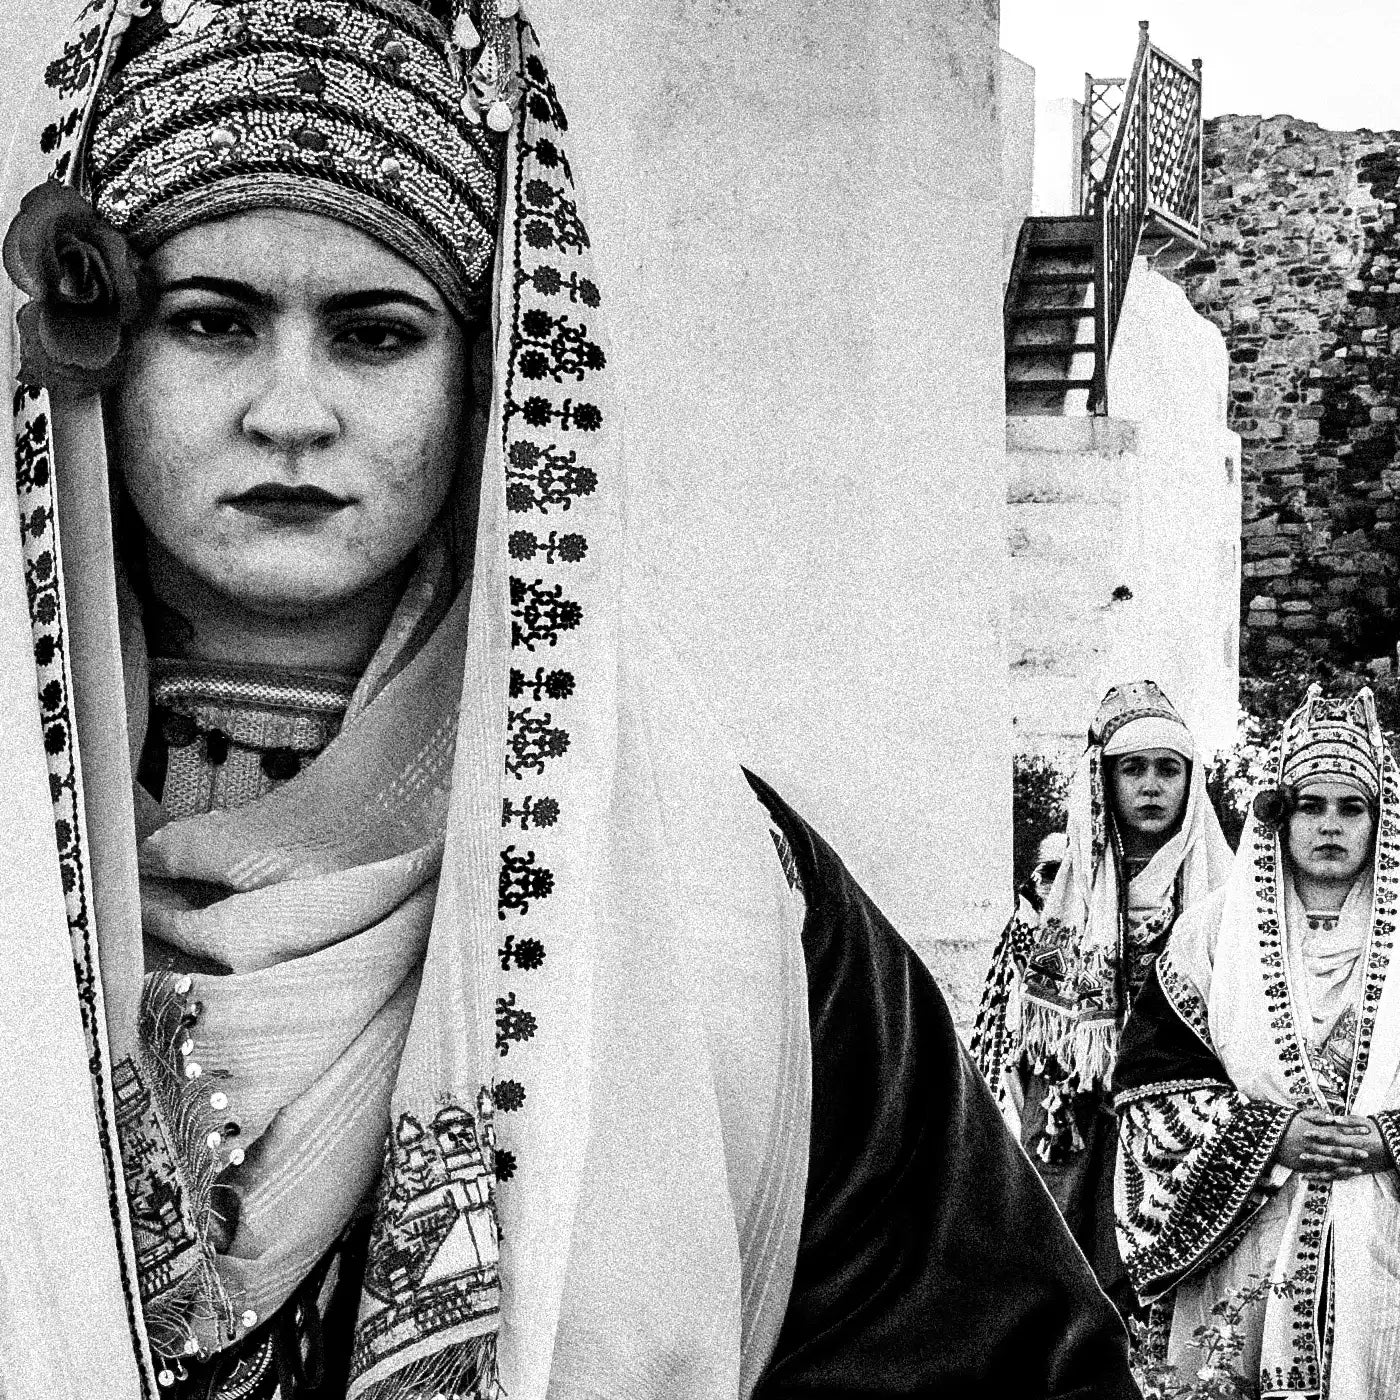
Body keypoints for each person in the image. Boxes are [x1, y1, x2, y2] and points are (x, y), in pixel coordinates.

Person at [0, 2, 1142, 1398]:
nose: (290, 409)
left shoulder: (728, 903)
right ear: (102, 358)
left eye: (372, 334)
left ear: (485, 377)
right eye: (213, 323)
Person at [1114, 685, 1400, 1397]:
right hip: (1249, 1237)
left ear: (1381, 818)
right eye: (1310, 805)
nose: (1329, 825)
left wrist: (1387, 1139)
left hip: (1385, 1235)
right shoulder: (1209, 934)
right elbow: (1153, 1095)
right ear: (1280, 814)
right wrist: (1269, 1137)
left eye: (1351, 807)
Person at [972, 680, 1231, 1315]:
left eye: (1168, 770)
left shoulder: (1225, 898)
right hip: (1079, 1119)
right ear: (1104, 782)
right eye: (1132, 769)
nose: (1151, 786)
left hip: (1182, 1120)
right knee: (1063, 1266)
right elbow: (1035, 1039)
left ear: (1190, 782)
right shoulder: (1069, 901)